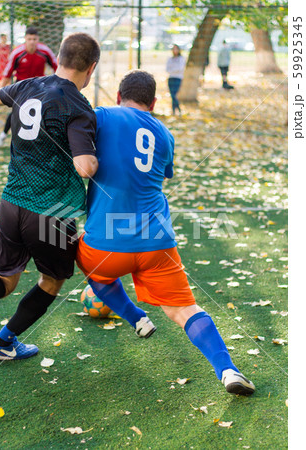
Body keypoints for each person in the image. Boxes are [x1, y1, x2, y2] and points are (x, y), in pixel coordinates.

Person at [76, 70, 255, 396]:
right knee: (185, 310)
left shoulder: (101, 116)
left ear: (118, 96)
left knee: (87, 264)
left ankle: (135, 317)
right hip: (157, 241)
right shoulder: (165, 135)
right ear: (155, 102)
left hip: (106, 244)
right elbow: (162, 173)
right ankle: (227, 369)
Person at [0, 32, 100, 360]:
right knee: (51, 281)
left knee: (3, 281)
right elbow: (83, 167)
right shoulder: (78, 106)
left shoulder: (27, 86)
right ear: (91, 68)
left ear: (60, 57)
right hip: (51, 214)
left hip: (11, 203)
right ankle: (4, 342)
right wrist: (97, 158)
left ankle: (4, 343)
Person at [0, 26, 57, 147]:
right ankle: (3, 135)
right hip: (21, 86)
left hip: (40, 86)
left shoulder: (45, 51)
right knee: (17, 112)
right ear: (25, 39)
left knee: (42, 112)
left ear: (38, 39)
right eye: (29, 39)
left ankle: (42, 141)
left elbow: (57, 67)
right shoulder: (17, 53)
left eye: (34, 39)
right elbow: (7, 73)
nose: (32, 41)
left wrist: (57, 85)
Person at [166, 44, 185, 116]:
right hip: (171, 78)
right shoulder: (170, 59)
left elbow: (180, 68)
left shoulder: (181, 58)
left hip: (178, 78)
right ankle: (175, 110)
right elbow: (167, 69)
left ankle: (177, 110)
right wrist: (174, 69)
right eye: (173, 49)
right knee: (172, 95)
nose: (175, 50)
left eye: (176, 49)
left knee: (174, 95)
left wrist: (173, 69)